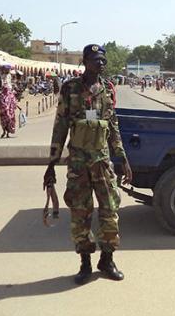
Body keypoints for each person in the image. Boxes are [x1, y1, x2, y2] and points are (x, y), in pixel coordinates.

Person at [44, 44, 133, 285]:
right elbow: (60, 126)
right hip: (78, 163)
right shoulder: (70, 88)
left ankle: (107, 259)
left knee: (110, 211)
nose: (100, 64)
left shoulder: (107, 89)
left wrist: (122, 158)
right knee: (80, 213)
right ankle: (85, 263)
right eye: (95, 60)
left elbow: (112, 126)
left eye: (103, 60)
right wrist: (51, 163)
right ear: (85, 61)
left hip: (102, 162)